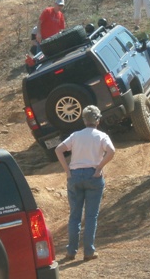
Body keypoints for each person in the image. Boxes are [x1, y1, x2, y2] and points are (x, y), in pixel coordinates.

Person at [55, 105, 115, 262]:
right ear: (98, 120)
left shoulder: (75, 135)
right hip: (93, 175)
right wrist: (99, 167)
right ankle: (88, 251)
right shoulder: (101, 136)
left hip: (74, 175)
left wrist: (67, 171)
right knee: (91, 216)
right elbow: (111, 151)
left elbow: (58, 150)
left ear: (84, 120)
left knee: (74, 216)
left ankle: (71, 252)